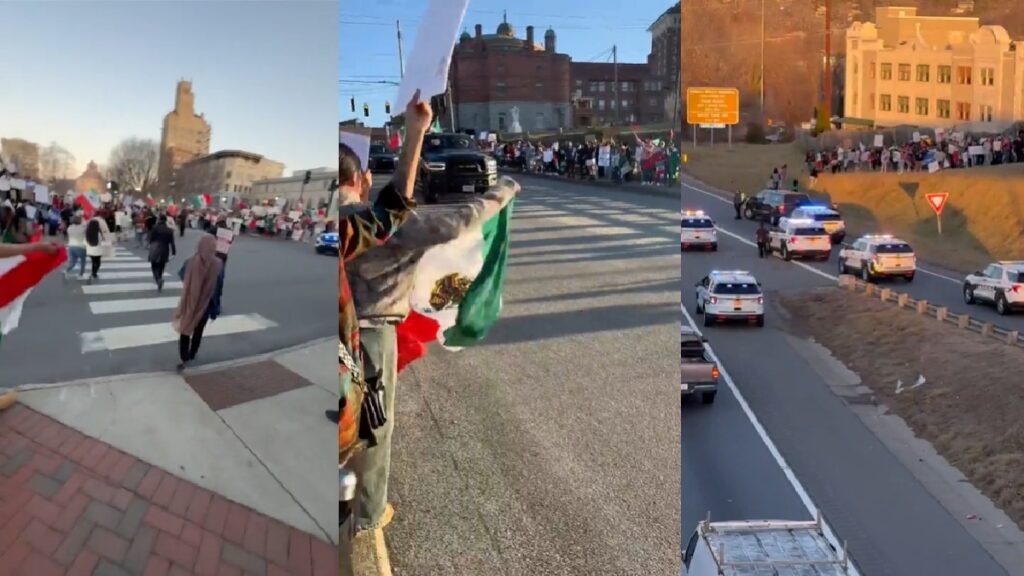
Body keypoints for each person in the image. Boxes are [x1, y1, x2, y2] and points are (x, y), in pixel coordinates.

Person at [337, 89, 433, 536]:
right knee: (373, 425)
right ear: (363, 179)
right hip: (362, 343)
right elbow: (392, 211)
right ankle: (367, 514)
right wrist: (415, 134)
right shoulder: (350, 224)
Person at [172, 235, 224, 370]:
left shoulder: (190, 261)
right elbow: (219, 286)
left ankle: (184, 357)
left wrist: (193, 282)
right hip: (206, 304)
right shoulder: (218, 264)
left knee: (185, 328)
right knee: (198, 330)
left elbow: (182, 275)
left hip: (190, 302)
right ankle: (192, 353)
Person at [148, 214, 176, 291]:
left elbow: (151, 239)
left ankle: (158, 279)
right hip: (165, 248)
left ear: (159, 219)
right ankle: (159, 278)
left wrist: (149, 245)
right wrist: (174, 252)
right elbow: (172, 242)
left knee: (154, 265)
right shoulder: (169, 230)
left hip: (155, 247)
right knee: (161, 265)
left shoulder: (155, 228)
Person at [84, 215, 110, 283]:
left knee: (93, 261)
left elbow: (86, 240)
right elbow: (100, 241)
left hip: (90, 249)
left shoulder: (88, 232)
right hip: (97, 249)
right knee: (98, 262)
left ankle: (93, 272)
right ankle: (94, 273)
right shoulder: (98, 233)